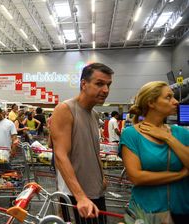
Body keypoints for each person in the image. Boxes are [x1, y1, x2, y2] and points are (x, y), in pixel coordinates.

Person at [50, 63, 114, 223]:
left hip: (95, 192)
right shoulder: (65, 109)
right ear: (83, 84)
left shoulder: (94, 115)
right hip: (76, 197)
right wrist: (80, 197)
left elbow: (92, 150)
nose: (106, 90)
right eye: (99, 83)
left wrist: (101, 176)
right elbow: (60, 155)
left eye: (108, 85)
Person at [119, 81, 189, 223]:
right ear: (151, 103)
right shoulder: (131, 134)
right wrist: (180, 174)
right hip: (145, 214)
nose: (176, 102)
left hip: (182, 211)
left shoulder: (181, 133)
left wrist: (168, 138)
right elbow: (136, 177)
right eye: (168, 97)